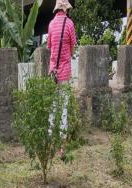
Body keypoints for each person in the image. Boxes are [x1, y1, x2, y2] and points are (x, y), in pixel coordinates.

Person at [47, 0, 77, 158]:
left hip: (53, 73)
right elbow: (72, 47)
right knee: (63, 108)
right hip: (64, 73)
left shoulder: (51, 24)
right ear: (66, 9)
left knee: (53, 108)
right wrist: (66, 55)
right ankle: (62, 149)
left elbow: (50, 47)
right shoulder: (70, 24)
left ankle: (50, 145)